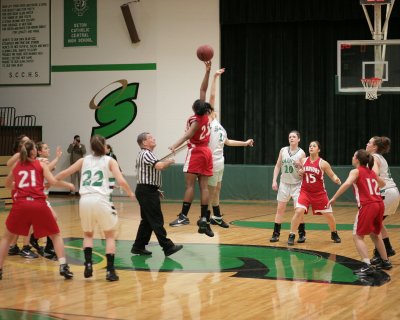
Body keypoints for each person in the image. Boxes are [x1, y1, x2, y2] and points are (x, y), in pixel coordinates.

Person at [56, 135, 135, 281]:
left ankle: (88, 265)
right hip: (101, 199)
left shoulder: (83, 160)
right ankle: (110, 271)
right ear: (104, 146)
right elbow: (121, 180)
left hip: (84, 200)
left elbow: (64, 173)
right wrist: (130, 193)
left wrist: (51, 181)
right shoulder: (110, 160)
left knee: (88, 234)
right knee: (109, 235)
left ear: (91, 147)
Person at [0, 140, 74, 280]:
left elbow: (7, 184)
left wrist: (21, 186)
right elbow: (52, 182)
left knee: (6, 237)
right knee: (56, 235)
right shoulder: (40, 164)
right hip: (38, 203)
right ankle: (63, 266)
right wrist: (67, 185)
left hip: (20, 204)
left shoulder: (17, 165)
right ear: (34, 152)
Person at [327, 149, 392, 275]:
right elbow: (383, 183)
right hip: (379, 204)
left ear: (357, 159)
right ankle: (385, 261)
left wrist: (334, 197)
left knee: (357, 236)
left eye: (353, 155)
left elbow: (347, 183)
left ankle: (366, 265)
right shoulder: (371, 172)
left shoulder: (356, 171)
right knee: (375, 234)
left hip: (368, 205)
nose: (352, 157)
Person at [168, 61, 214, 237]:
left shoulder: (196, 120)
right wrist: (207, 71)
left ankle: (184, 216)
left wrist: (174, 145)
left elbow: (188, 136)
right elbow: (203, 89)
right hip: (207, 152)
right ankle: (203, 219)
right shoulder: (206, 114)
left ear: (195, 108)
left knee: (189, 185)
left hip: (196, 151)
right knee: (204, 187)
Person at [207, 68, 254, 228]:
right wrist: (214, 77)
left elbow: (228, 142)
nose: (214, 111)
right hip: (212, 161)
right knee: (211, 190)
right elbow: (212, 97)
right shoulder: (208, 122)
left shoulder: (219, 126)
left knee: (217, 188)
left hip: (221, 161)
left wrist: (245, 143)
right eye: (212, 110)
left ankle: (217, 216)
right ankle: (205, 218)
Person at [132, 132, 183, 256]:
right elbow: (159, 166)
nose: (153, 138)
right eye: (150, 138)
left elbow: (147, 174)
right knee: (156, 219)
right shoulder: (146, 154)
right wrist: (169, 162)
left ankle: (138, 246)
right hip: (146, 191)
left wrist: (155, 188)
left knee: (147, 221)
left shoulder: (145, 154)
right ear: (144, 142)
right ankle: (167, 246)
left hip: (146, 190)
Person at [287, 141, 342, 245]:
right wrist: (300, 172)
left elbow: (332, 175)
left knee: (329, 215)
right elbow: (300, 173)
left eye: (314, 146)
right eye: (310, 146)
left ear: (319, 149)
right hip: (305, 192)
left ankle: (334, 233)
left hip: (319, 193)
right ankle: (292, 234)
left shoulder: (323, 163)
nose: (311, 147)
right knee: (298, 211)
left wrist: (336, 179)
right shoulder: (303, 160)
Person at [366, 136, 399, 263]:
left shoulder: (374, 157)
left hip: (386, 192)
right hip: (392, 192)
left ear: (374, 147)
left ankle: (380, 255)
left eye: (369, 142)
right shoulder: (380, 158)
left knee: (373, 225)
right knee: (378, 222)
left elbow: (373, 174)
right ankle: (387, 248)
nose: (367, 144)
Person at [6, 134, 39, 258]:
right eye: (26, 141)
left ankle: (13, 246)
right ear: (21, 145)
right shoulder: (19, 155)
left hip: (24, 189)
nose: (29, 142)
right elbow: (9, 164)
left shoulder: (29, 157)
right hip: (18, 190)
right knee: (27, 220)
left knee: (21, 221)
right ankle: (25, 248)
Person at [270, 130, 306, 242]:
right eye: (290, 137)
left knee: (298, 211)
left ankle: (301, 233)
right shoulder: (283, 150)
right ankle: (276, 234)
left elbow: (304, 171)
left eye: (294, 137)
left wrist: (300, 168)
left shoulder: (301, 153)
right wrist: (274, 181)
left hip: (297, 185)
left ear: (298, 139)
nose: (291, 138)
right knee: (280, 209)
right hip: (284, 184)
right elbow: (277, 166)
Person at [29, 142, 63, 259]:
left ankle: (38, 240)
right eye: (45, 148)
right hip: (36, 197)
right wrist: (57, 158)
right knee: (52, 219)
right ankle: (36, 240)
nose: (48, 149)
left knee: (50, 219)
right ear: (39, 152)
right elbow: (48, 168)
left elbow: (48, 171)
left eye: (48, 147)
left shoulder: (42, 161)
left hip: (41, 197)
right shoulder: (39, 161)